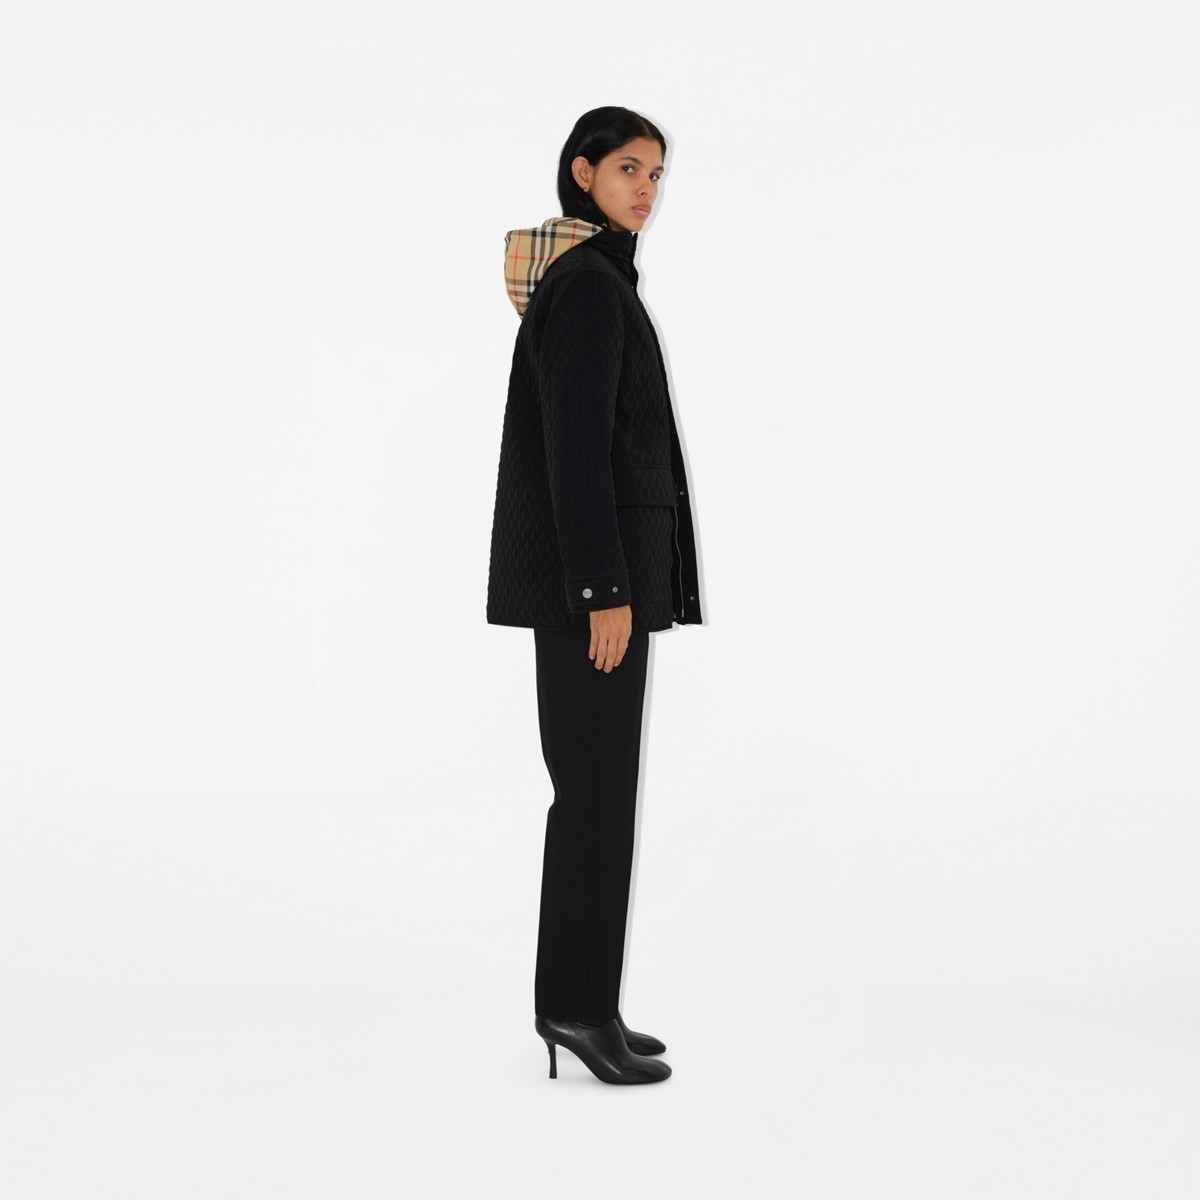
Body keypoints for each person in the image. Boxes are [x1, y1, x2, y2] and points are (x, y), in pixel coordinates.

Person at [485, 106, 703, 1085]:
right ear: (582, 173)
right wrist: (602, 588)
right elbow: (574, 453)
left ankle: (587, 1002)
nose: (646, 189)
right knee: (593, 800)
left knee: (600, 797)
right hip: (594, 595)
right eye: (628, 169)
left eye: (656, 173)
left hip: (601, 585)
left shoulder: (597, 279)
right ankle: (574, 1010)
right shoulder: (586, 288)